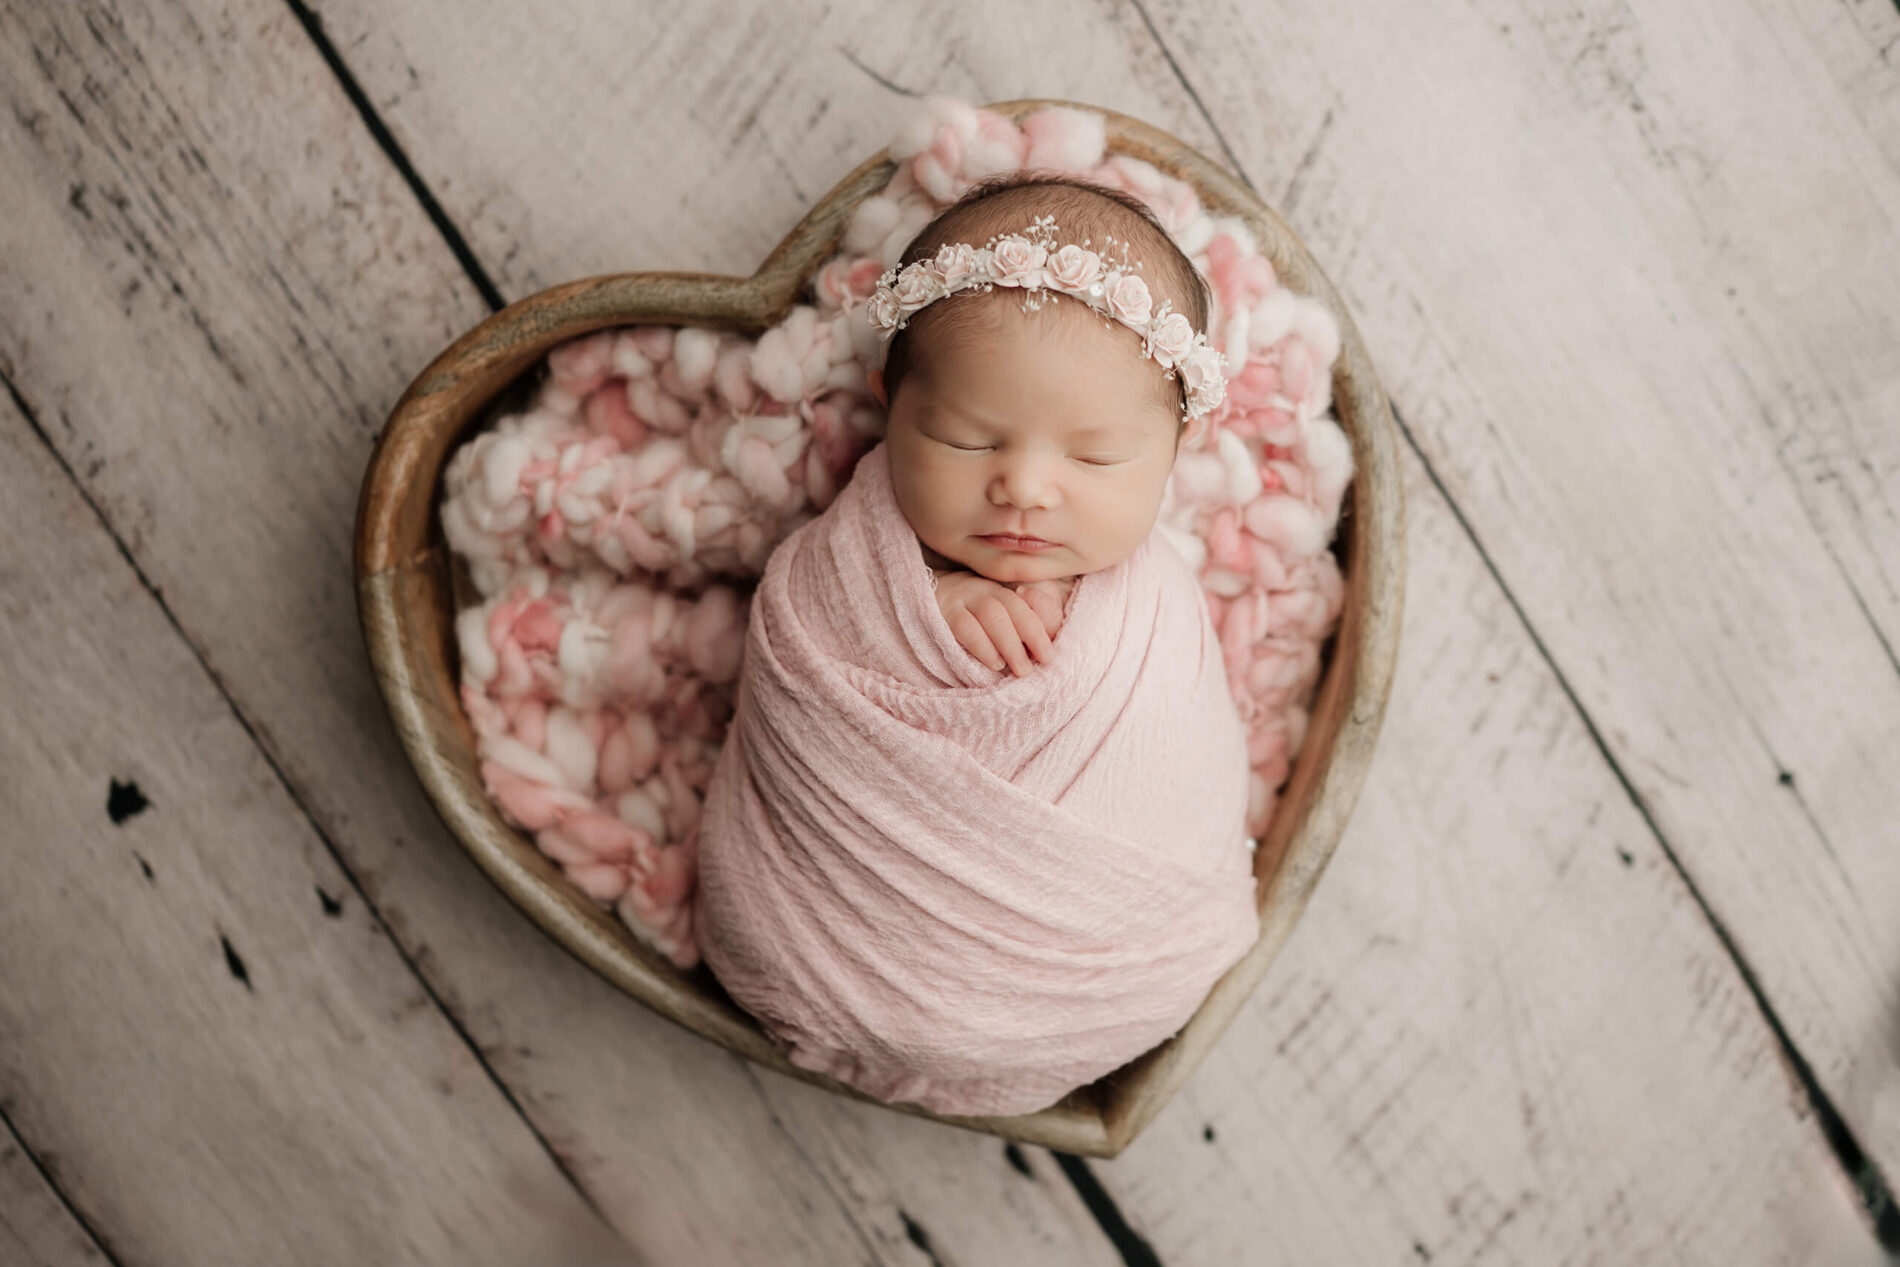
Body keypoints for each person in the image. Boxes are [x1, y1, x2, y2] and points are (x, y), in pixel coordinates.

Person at [862, 170, 1225, 678]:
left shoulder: (1161, 614)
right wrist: (916, 609)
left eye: (1094, 457)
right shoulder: (845, 562)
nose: (1025, 491)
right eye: (967, 443)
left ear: (1176, 449)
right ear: (888, 408)